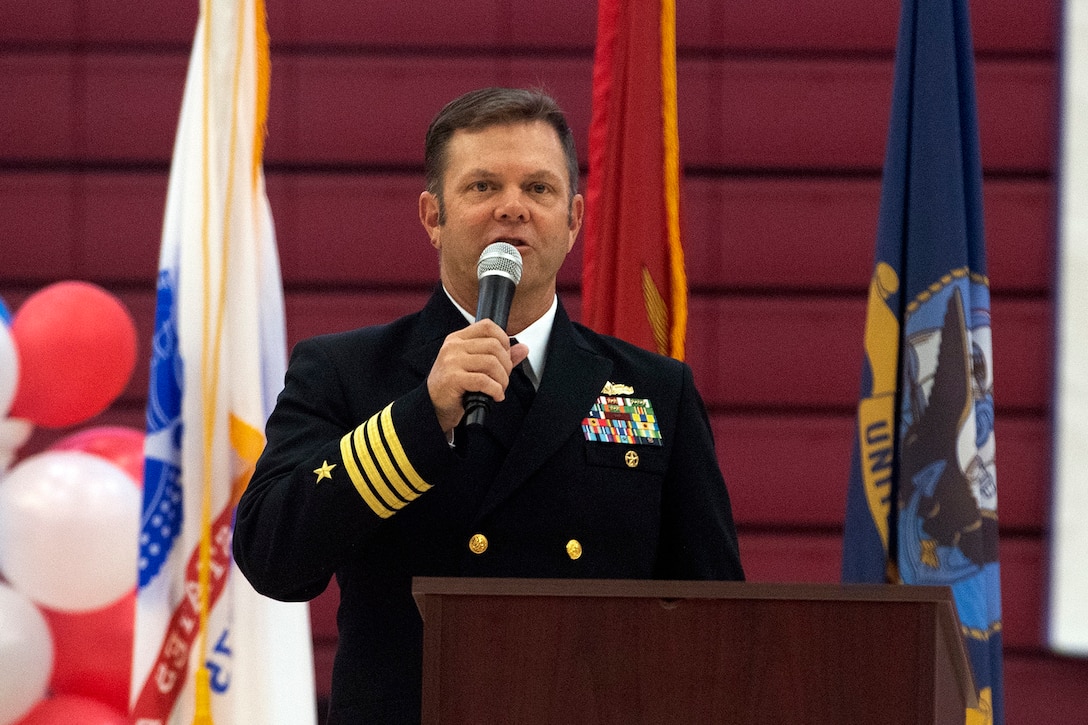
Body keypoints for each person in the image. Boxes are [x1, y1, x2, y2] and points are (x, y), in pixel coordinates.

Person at [233, 87, 744, 724]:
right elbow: (272, 558)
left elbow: (718, 618)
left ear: (574, 219)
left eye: (539, 188)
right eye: (482, 188)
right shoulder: (346, 371)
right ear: (432, 216)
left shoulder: (656, 388)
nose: (513, 209)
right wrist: (424, 416)